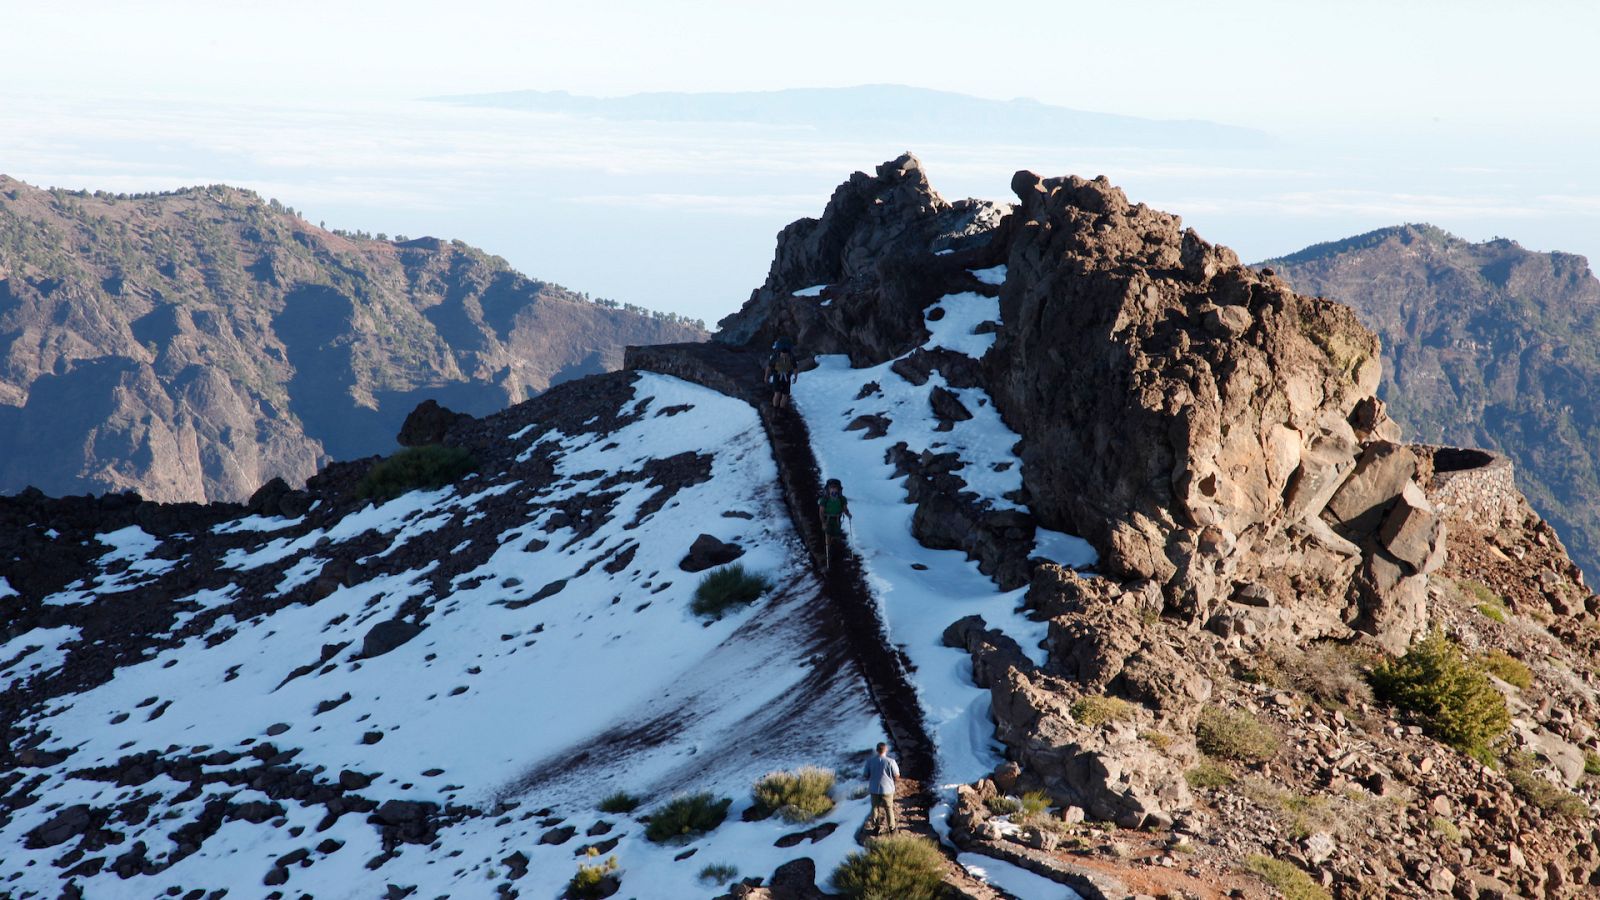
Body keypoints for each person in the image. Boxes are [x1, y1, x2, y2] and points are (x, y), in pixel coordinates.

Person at [862, 742, 900, 835]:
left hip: (874, 789)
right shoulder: (891, 761)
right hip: (887, 789)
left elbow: (865, 775)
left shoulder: (870, 761)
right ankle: (892, 828)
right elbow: (897, 775)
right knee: (889, 808)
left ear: (877, 750)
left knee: (875, 808)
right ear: (886, 750)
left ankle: (876, 828)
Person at [818, 478, 851, 567]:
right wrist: (823, 522)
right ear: (828, 489)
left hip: (837, 519)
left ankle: (836, 552)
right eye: (832, 487)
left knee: (837, 535)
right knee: (828, 535)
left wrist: (848, 514)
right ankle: (828, 553)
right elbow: (821, 512)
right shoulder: (824, 499)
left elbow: (844, 508)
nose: (833, 489)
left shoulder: (842, 499)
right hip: (828, 519)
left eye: (835, 488)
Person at [765, 339, 797, 409]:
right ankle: (775, 408)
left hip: (786, 377)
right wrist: (766, 377)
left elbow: (795, 368)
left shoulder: (791, 357)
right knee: (777, 393)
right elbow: (769, 367)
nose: (784, 356)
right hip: (777, 376)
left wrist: (795, 377)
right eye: (783, 355)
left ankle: (781, 409)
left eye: (786, 355)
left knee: (785, 395)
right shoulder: (775, 357)